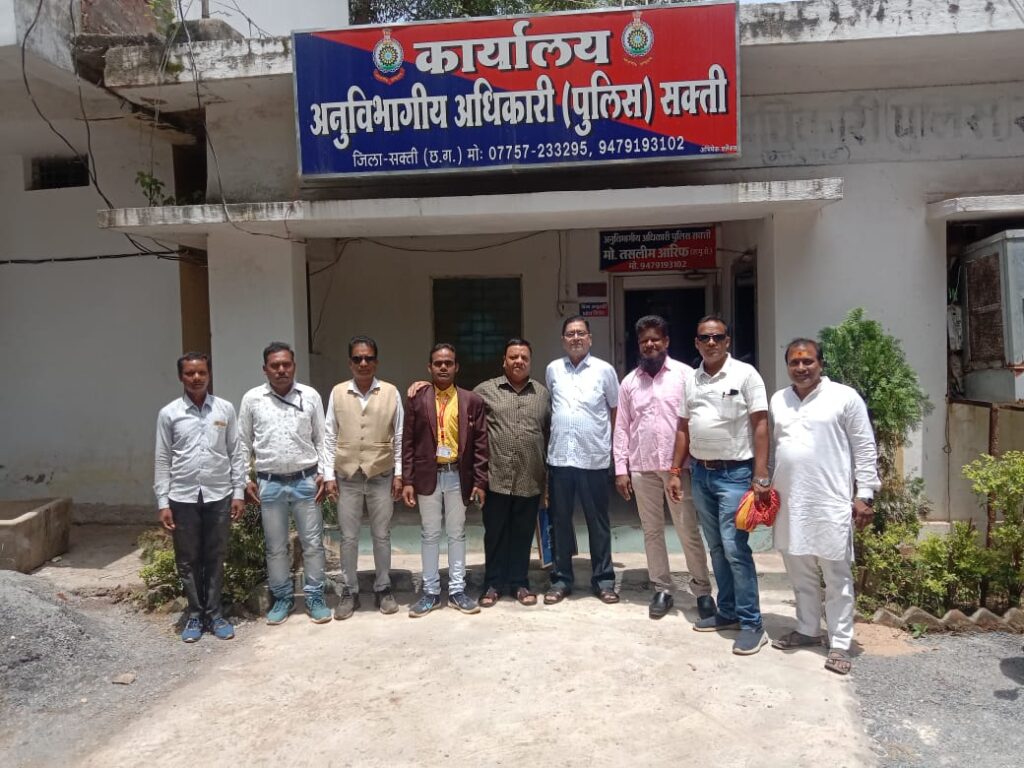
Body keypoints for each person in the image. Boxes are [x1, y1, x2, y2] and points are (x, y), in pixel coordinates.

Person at [769, 338, 880, 675]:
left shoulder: (844, 397)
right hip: (790, 501)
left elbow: (864, 446)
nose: (801, 368)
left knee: (836, 575)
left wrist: (865, 494)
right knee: (799, 570)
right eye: (794, 362)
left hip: (830, 501)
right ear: (787, 366)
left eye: (808, 361)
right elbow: (776, 447)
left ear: (821, 363)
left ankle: (840, 643)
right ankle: (807, 629)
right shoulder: (779, 399)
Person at [669, 315, 770, 655]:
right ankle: (728, 611)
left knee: (735, 549)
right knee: (715, 547)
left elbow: (760, 425)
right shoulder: (692, 379)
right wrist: (675, 470)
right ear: (696, 343)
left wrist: (761, 474)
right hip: (702, 474)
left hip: (735, 475)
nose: (711, 343)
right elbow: (683, 427)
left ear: (728, 341)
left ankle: (752, 623)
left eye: (717, 337)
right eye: (704, 338)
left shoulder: (746, 375)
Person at [613, 315, 715, 620]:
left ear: (666, 342)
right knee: (652, 531)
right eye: (644, 340)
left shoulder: (685, 376)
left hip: (677, 470)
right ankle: (662, 587)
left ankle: (702, 590)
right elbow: (622, 428)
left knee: (687, 530)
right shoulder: (629, 383)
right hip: (642, 467)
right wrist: (621, 469)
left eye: (655, 339)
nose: (650, 344)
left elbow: (696, 419)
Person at [154, 352, 246, 642]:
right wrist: (163, 502)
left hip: (219, 494)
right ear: (180, 376)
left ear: (209, 374)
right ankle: (195, 614)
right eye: (190, 373)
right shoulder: (169, 413)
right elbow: (162, 458)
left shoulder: (225, 409)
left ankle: (215, 614)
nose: (196, 378)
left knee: (215, 555)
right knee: (188, 558)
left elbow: (236, 452)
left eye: (201, 373)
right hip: (182, 496)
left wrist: (239, 492)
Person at [238, 341, 331, 626]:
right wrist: (244, 479)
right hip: (269, 484)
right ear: (265, 369)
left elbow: (322, 439)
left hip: (306, 480)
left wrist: (325, 473)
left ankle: (315, 597)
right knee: (275, 546)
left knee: (312, 544)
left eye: (286, 364)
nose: (281, 370)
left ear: (294, 366)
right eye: (275, 365)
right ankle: (282, 598)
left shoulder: (310, 396)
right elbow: (242, 442)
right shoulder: (252, 399)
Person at [402, 343, 489, 617]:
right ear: (429, 367)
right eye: (438, 363)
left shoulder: (471, 401)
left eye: (448, 363)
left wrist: (480, 481)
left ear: (456, 367)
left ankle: (456, 591)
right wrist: (407, 480)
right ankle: (430, 592)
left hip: (457, 476)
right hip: (428, 475)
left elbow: (481, 445)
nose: (443, 367)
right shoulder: (417, 399)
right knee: (429, 534)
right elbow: (408, 442)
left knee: (456, 533)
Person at [323, 335, 403, 618]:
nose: (363, 363)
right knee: (348, 537)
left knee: (382, 534)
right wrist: (328, 475)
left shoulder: (391, 392)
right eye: (358, 358)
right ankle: (350, 591)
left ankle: (383, 587)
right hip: (347, 475)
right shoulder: (337, 393)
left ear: (376, 362)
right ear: (350, 363)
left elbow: (399, 435)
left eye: (368, 358)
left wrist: (399, 473)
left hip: (381, 473)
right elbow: (329, 435)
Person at [545, 316, 619, 605]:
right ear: (563, 340)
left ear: (590, 338)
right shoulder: (553, 369)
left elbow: (615, 410)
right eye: (570, 334)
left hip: (593, 459)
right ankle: (561, 579)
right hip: (560, 459)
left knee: (597, 523)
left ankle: (604, 580)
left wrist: (614, 451)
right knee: (560, 522)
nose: (575, 338)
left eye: (580, 333)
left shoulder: (605, 370)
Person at [474, 339, 550, 607]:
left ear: (530, 361)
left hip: (530, 477)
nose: (519, 361)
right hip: (496, 478)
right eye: (513, 357)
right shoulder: (485, 391)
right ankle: (493, 584)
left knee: (522, 534)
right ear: (504, 361)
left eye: (524, 357)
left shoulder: (542, 394)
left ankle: (519, 582)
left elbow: (548, 433)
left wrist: (548, 481)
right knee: (495, 533)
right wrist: (425, 386)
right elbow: (458, 405)